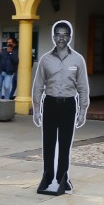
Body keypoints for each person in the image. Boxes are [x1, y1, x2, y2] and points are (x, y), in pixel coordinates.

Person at [32, 20, 89, 195]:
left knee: (64, 144)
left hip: (68, 105)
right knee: (48, 142)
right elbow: (38, 85)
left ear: (69, 37)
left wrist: (82, 111)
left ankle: (63, 176)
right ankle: (48, 176)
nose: (61, 38)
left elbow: (83, 87)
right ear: (53, 36)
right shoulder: (45, 59)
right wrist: (36, 109)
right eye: (58, 34)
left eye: (65, 35)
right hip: (50, 104)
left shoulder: (77, 59)